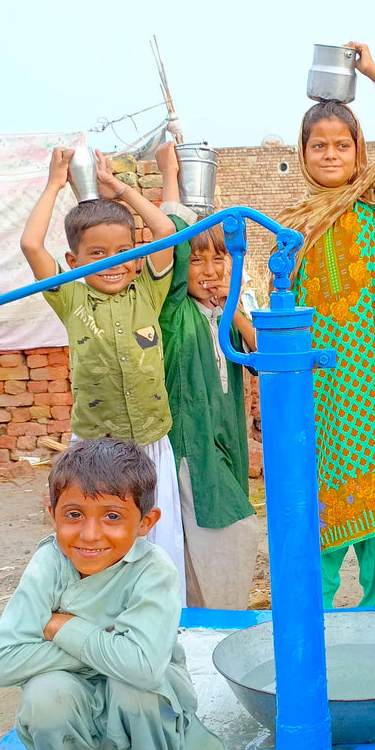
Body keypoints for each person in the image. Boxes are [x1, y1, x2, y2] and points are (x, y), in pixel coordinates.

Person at [0, 438, 227, 750]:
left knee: (135, 683)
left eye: (112, 517)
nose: (90, 534)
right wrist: (110, 643)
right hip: (77, 710)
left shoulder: (153, 569)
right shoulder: (48, 563)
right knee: (46, 694)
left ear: (146, 522)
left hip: (146, 717)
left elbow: (145, 669)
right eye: (74, 514)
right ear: (52, 513)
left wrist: (62, 626)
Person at [278, 42, 375, 609]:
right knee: (315, 524)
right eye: (317, 145)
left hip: (373, 391)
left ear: (359, 151)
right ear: (301, 153)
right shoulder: (292, 227)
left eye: (342, 145)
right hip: (316, 394)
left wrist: (370, 71)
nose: (329, 154)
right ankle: (309, 642)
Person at [20, 148, 185, 589]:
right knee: (101, 535)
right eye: (98, 254)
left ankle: (163, 613)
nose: (114, 262)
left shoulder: (148, 291)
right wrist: (56, 184)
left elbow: (165, 229)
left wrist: (118, 188)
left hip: (150, 440)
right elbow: (31, 245)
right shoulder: (70, 296)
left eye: (123, 251)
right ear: (74, 263)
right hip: (95, 445)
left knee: (157, 536)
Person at [156, 142, 259, 610]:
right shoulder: (174, 311)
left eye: (219, 259)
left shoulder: (224, 316)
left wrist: (232, 306)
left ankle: (214, 618)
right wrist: (170, 177)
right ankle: (216, 621)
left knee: (210, 540)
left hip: (225, 443)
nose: (209, 270)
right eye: (199, 260)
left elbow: (261, 348)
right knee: (229, 531)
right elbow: (173, 243)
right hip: (192, 446)